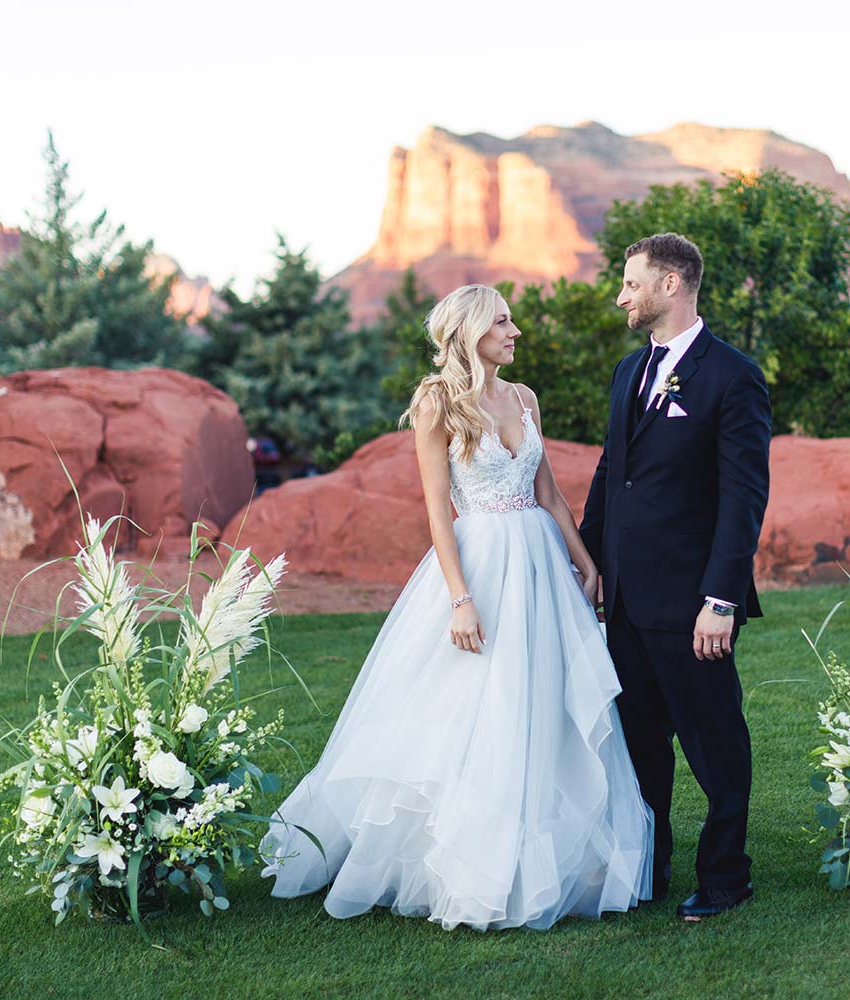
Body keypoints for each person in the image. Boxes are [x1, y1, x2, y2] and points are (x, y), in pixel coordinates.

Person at [260, 284, 653, 930]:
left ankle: (545, 852)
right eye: (502, 321)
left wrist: (585, 563)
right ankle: (468, 862)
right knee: (481, 706)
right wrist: (460, 598)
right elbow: (438, 510)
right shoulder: (436, 403)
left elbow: (548, 494)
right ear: (470, 332)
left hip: (539, 564)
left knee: (542, 702)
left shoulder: (524, 399)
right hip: (481, 565)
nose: (515, 329)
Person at [579, 233, 772, 921]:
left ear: (669, 284)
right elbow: (611, 473)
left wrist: (720, 598)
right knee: (640, 748)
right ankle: (647, 869)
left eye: (630, 284)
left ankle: (725, 876)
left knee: (714, 740)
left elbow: (744, 497)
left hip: (694, 603)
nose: (621, 296)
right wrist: (589, 565)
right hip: (626, 599)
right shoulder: (628, 374)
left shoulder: (733, 376)